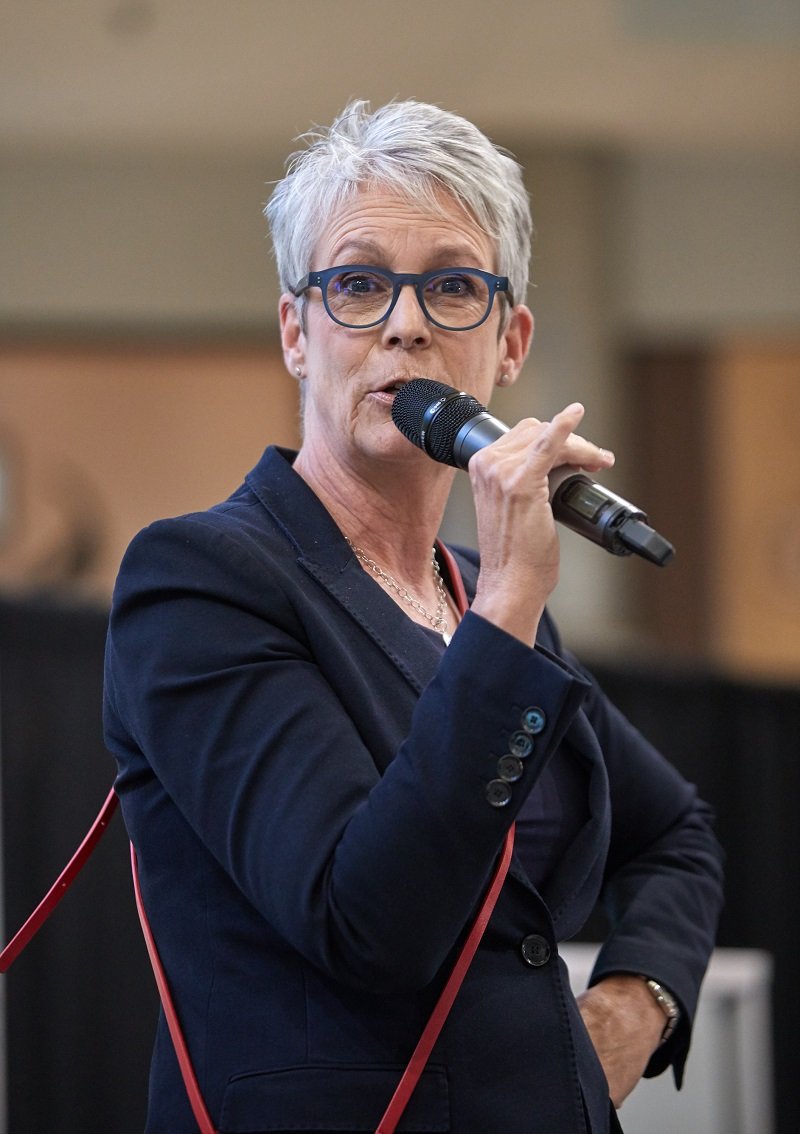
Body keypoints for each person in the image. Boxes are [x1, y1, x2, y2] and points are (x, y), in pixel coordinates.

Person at [103, 99, 724, 1134]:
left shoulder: (476, 594)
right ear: (296, 333)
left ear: (508, 340)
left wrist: (635, 1005)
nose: (404, 322)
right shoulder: (202, 578)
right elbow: (366, 923)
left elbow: (676, 835)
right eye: (356, 283)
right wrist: (512, 605)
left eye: (450, 286)